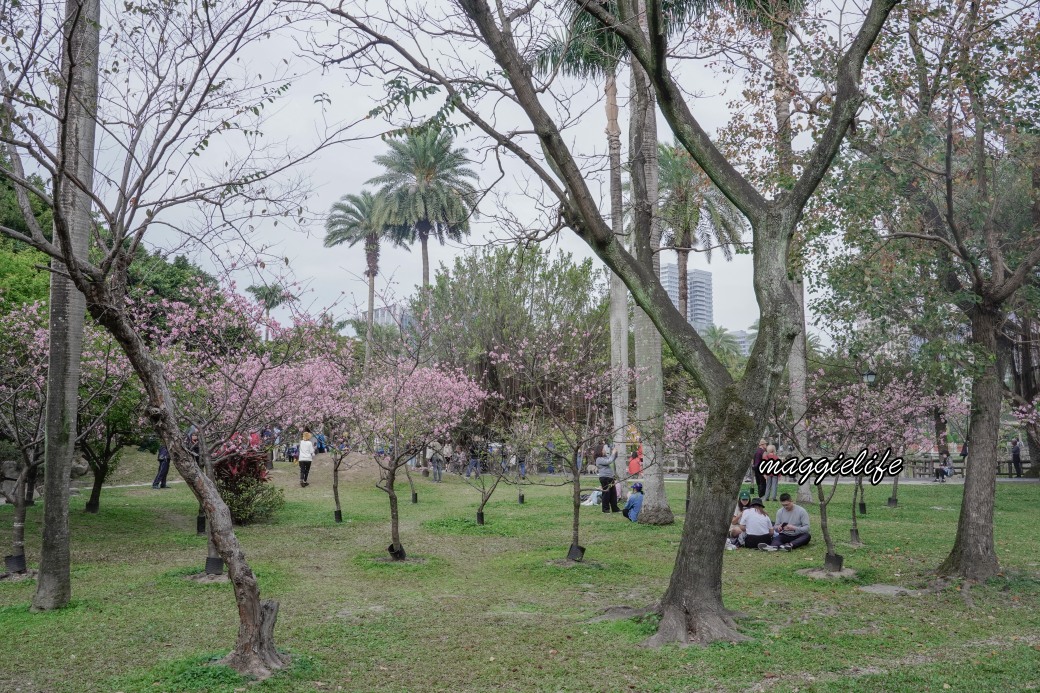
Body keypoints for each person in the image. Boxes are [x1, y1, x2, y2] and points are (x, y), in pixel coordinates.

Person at [596, 444, 620, 513]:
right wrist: (612, 453)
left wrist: (615, 451)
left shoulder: (605, 457)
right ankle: (605, 510)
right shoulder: (598, 459)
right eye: (603, 449)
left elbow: (613, 458)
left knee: (613, 493)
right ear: (599, 451)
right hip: (604, 478)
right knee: (606, 493)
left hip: (610, 477)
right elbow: (609, 461)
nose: (604, 450)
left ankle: (615, 509)